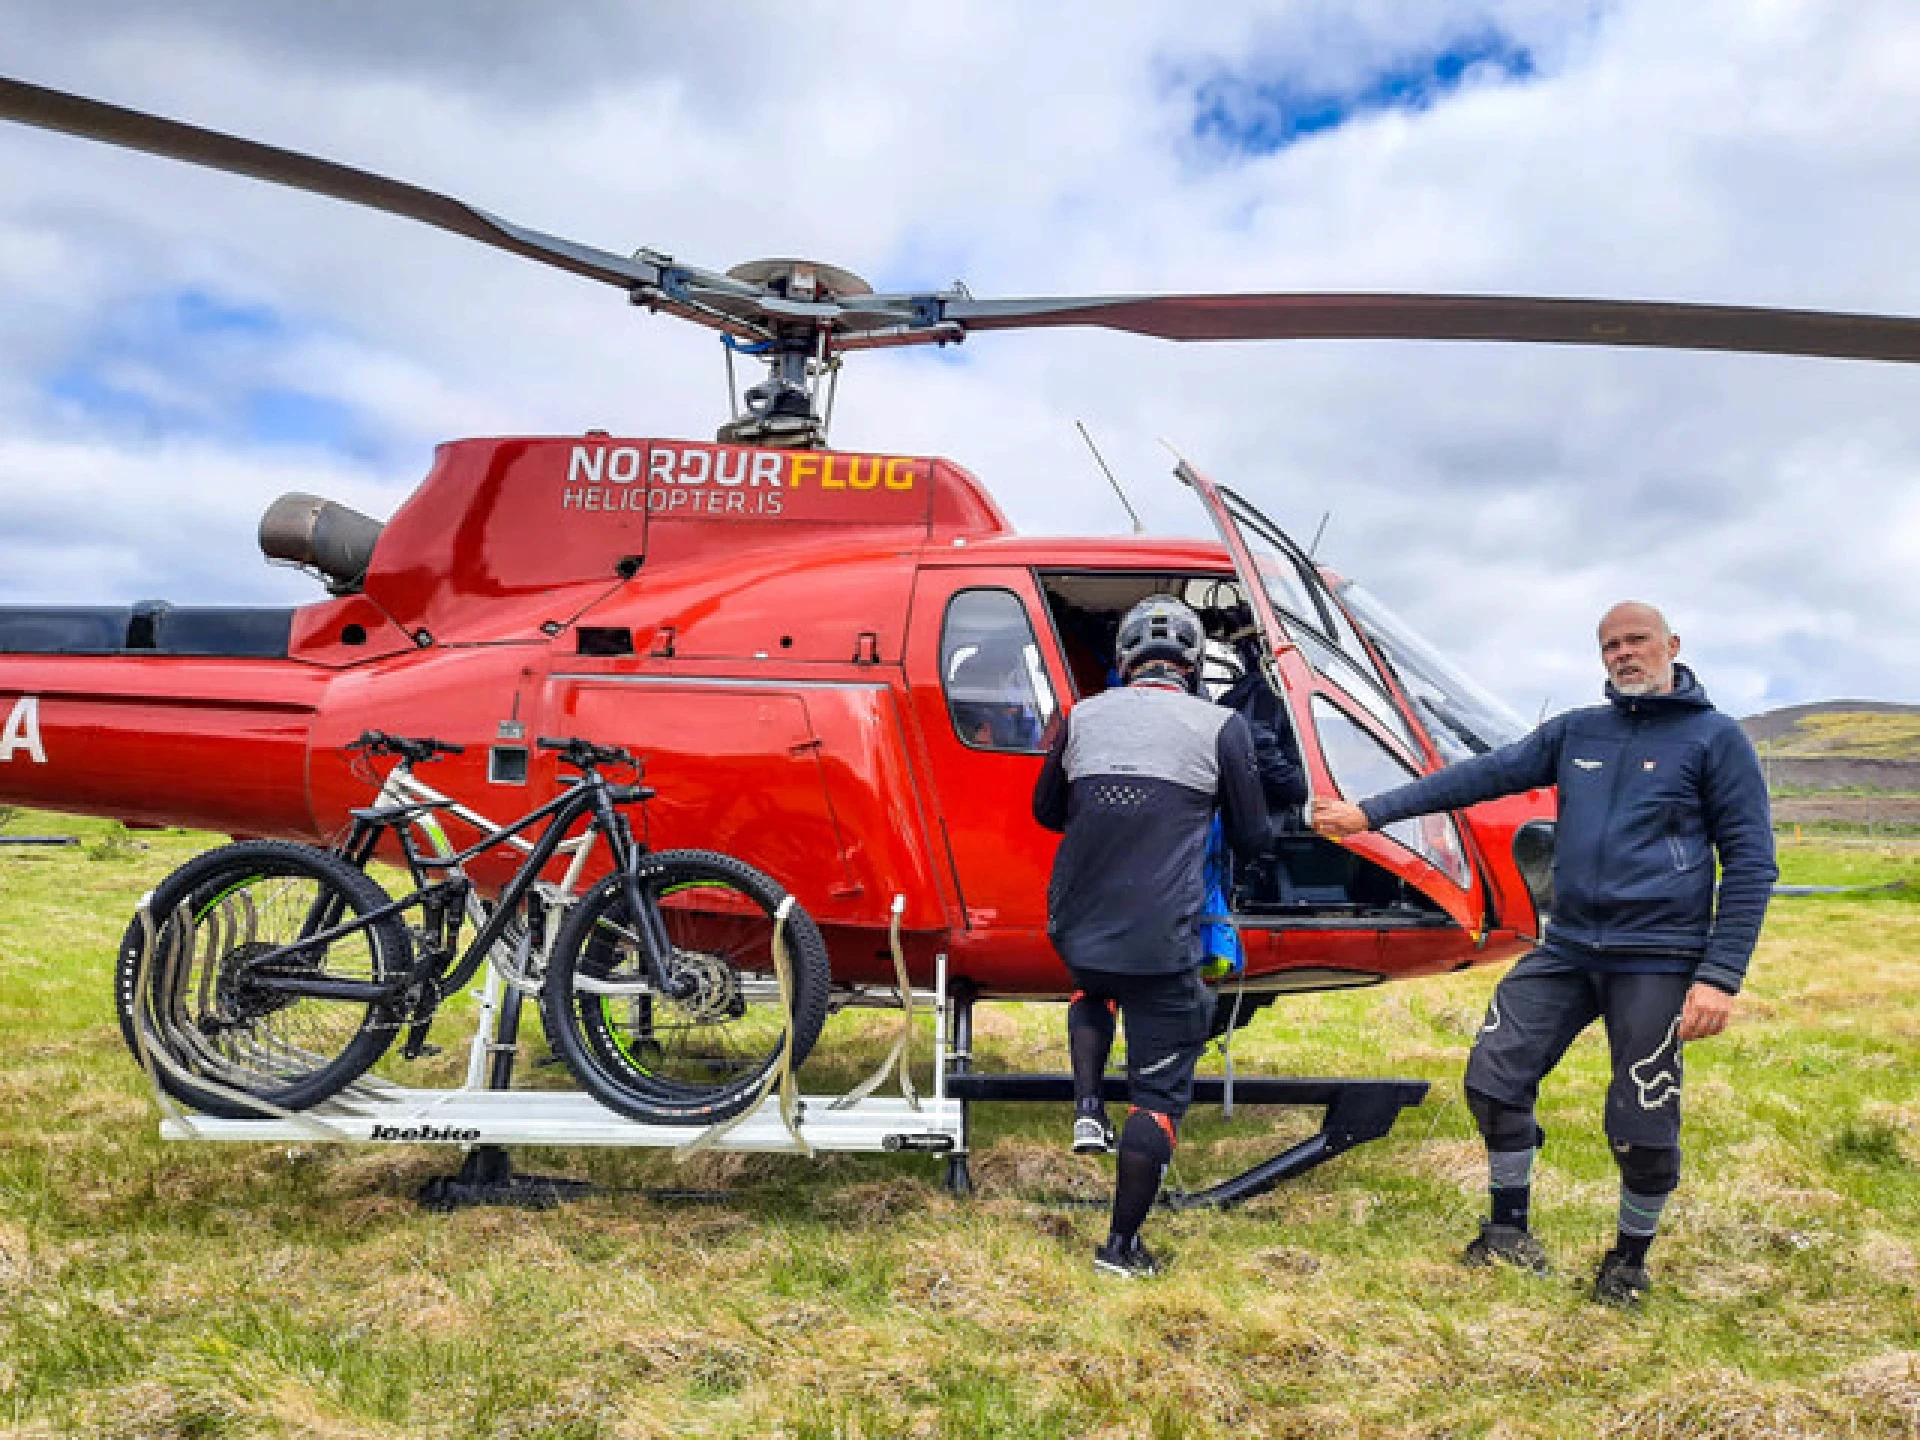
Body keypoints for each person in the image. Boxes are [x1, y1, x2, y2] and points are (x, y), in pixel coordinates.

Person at [1313, 602, 1775, 1306]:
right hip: (1566, 946)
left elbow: (1750, 862)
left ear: (1672, 646)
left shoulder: (1715, 740)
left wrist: (1719, 976)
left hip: (1657, 954)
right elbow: (1479, 776)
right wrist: (1370, 813)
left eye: (1636, 641)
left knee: (1641, 1121)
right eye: (1610, 645)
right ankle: (1508, 1230)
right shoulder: (1576, 732)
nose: (1624, 654)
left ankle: (1628, 1259)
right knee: (1493, 1080)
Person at [1033, 595, 1271, 1278]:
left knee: (1094, 984)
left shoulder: (1081, 715)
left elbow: (1046, 810)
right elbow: (1253, 836)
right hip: (1161, 937)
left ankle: (1086, 1105)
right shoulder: (1222, 725)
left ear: (1125, 662)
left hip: (1075, 922)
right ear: (1193, 663)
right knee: (1158, 1096)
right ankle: (1120, 1249)